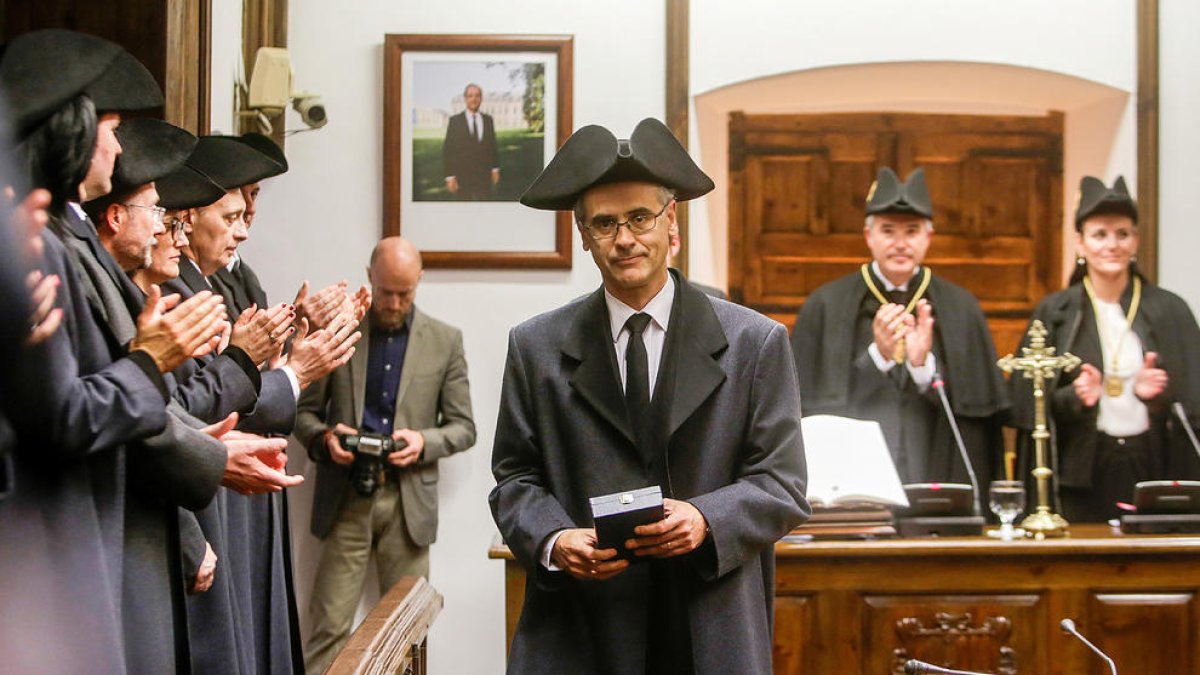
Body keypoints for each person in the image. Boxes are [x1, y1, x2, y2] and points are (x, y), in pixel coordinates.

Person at [0, 29, 295, 673]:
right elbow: (67, 414)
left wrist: (207, 443)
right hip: (63, 542)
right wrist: (150, 362)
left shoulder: (51, 237)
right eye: (107, 126)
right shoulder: (41, 243)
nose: (115, 142)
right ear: (68, 132)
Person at [490, 118, 808, 674]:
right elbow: (515, 479)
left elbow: (782, 482)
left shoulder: (755, 343)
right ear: (584, 235)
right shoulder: (534, 346)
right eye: (605, 224)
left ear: (671, 224)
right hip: (582, 628)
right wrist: (556, 538)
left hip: (710, 623)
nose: (625, 239)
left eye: (640, 218)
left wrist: (706, 518)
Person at [294, 236, 476, 673]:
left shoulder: (445, 341)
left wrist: (422, 442)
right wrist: (324, 440)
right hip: (346, 498)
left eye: (405, 292)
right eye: (385, 291)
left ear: (419, 282)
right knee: (328, 629)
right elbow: (302, 411)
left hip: (408, 502)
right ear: (369, 278)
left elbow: (463, 428)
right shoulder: (338, 333)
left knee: (409, 633)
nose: (393, 302)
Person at [791, 167, 1008, 493]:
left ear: (928, 237)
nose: (900, 243)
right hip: (854, 472)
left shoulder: (961, 307)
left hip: (933, 462)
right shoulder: (825, 305)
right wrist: (878, 357)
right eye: (888, 230)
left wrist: (923, 368)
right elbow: (807, 405)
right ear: (869, 236)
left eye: (912, 231)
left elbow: (975, 418)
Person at [1012, 176, 1200, 522]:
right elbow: (1029, 405)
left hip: (1152, 462)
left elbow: (1192, 401)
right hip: (1083, 469)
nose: (1112, 245)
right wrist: (1076, 397)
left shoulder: (1170, 310)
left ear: (1136, 241)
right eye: (1100, 235)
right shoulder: (1055, 313)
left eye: (1122, 234)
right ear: (1080, 244)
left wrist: (1157, 396)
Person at [442, 83, 500, 200]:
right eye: (470, 96)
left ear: (481, 98)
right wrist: (449, 177)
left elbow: (492, 146)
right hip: (462, 176)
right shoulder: (455, 121)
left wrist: (495, 169)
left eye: (477, 96)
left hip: (484, 176)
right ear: (465, 99)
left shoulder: (488, 120)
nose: (474, 99)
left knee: (485, 209)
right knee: (463, 211)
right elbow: (448, 150)